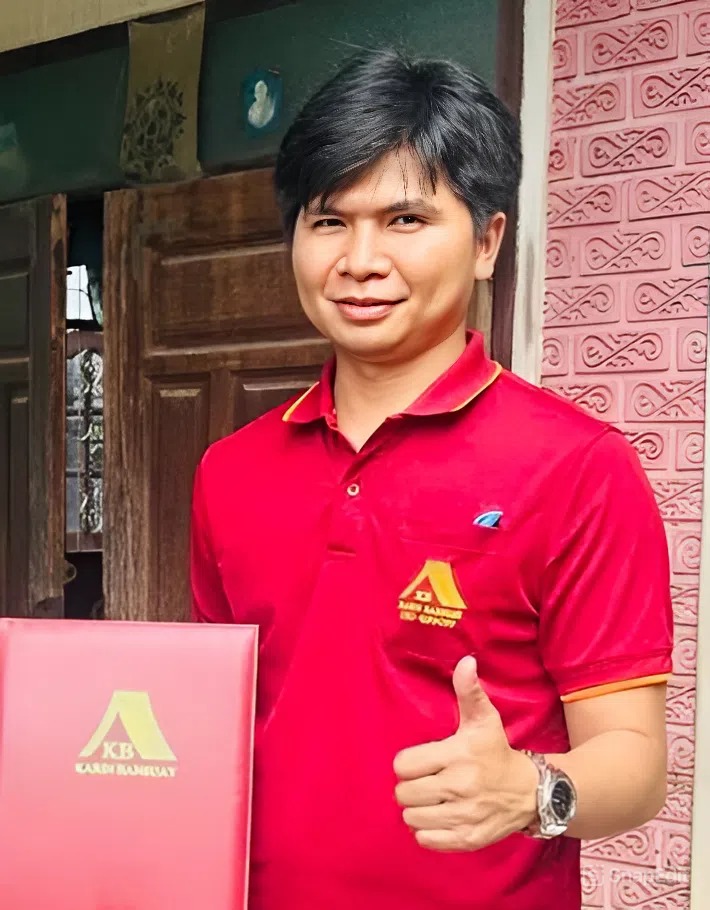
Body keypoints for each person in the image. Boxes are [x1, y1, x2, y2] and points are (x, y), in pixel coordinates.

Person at [190, 48, 673, 910]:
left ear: (487, 242)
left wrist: (531, 791)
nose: (360, 259)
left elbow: (635, 766)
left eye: (405, 220)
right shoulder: (230, 472)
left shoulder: (579, 467)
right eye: (328, 221)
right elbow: (214, 726)